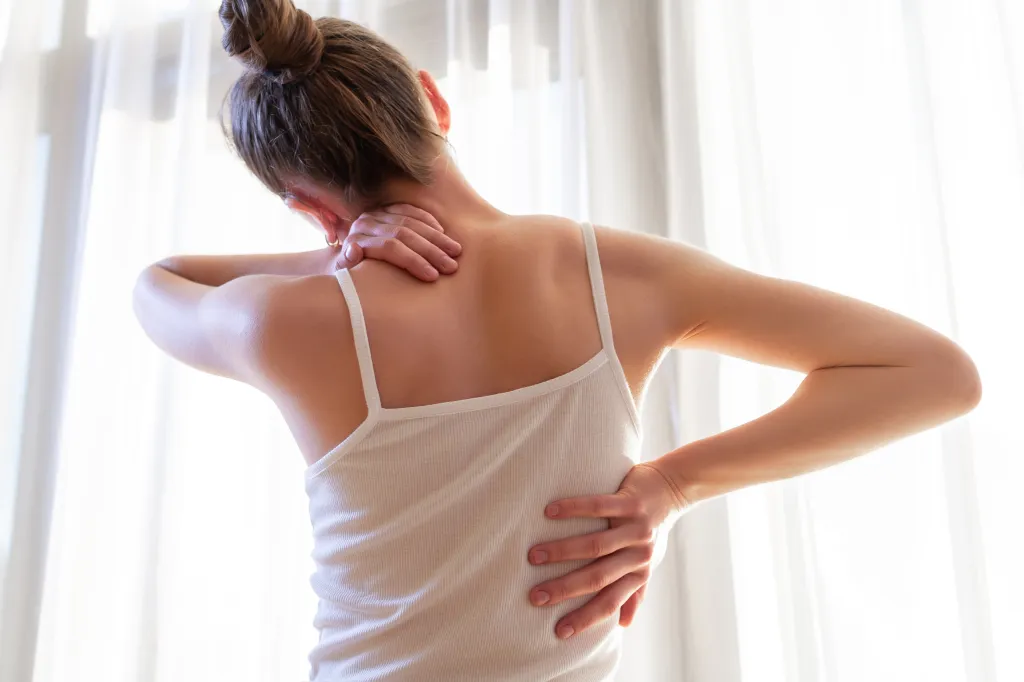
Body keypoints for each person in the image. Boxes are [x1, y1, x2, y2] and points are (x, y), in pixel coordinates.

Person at [131, 1, 982, 680]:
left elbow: (158, 285)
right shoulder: (621, 274)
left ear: (307, 207)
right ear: (434, 98)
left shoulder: (279, 321)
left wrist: (334, 254)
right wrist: (672, 486)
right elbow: (935, 373)